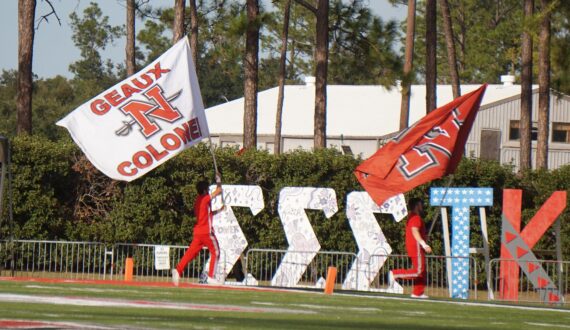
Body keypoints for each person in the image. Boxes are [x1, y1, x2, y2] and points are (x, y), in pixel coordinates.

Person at [172, 177, 225, 286]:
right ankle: (211, 276)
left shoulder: (198, 201)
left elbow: (208, 214)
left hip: (198, 232)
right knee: (216, 252)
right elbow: (218, 191)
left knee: (190, 253)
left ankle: (178, 270)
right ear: (205, 190)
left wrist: (219, 209)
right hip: (206, 232)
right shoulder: (205, 198)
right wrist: (218, 181)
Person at [388, 197, 432, 299]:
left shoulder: (413, 217)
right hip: (416, 246)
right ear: (417, 206)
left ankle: (418, 292)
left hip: (415, 246)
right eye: (420, 204)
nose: (422, 206)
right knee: (418, 271)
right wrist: (424, 244)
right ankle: (395, 273)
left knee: (422, 270)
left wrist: (424, 238)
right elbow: (414, 231)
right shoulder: (415, 218)